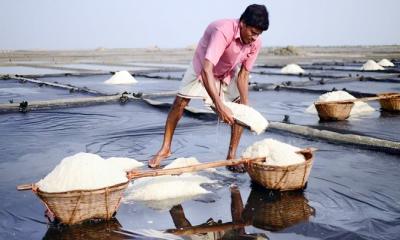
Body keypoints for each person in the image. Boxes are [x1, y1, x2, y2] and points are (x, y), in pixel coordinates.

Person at [148, 4, 269, 171]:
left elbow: (243, 75)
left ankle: (232, 155)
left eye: (259, 34)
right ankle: (165, 149)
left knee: (241, 104)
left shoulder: (255, 43)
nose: (255, 37)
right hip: (203, 67)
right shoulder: (223, 31)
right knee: (180, 102)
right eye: (253, 32)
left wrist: (246, 108)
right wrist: (220, 105)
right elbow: (207, 70)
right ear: (242, 24)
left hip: (226, 71)